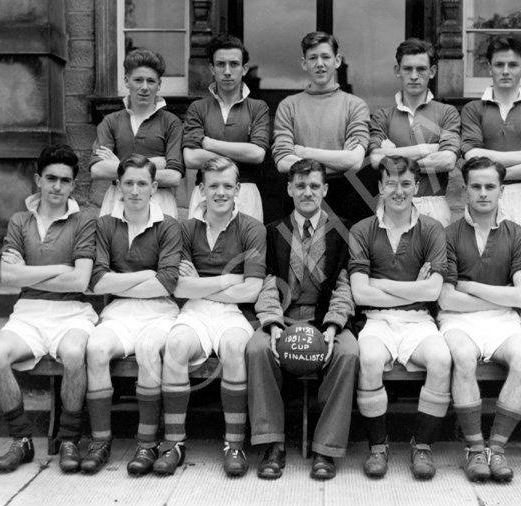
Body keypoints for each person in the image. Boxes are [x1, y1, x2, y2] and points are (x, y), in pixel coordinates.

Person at [0, 144, 97, 473]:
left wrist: (31, 273)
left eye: (65, 180)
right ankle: (22, 439)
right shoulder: (20, 221)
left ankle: (69, 440)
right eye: (51, 178)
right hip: (28, 314)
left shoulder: (84, 220)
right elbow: (7, 276)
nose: (57, 187)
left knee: (75, 354)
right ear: (38, 179)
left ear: (74, 184)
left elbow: (80, 282)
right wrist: (60, 269)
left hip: (73, 313)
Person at [246, 159, 359, 481]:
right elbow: (268, 281)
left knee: (348, 353)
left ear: (324, 189)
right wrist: (271, 322)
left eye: (314, 186)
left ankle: (326, 446)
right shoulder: (273, 232)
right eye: (300, 186)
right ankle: (272, 444)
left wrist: (335, 323)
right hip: (283, 317)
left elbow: (344, 283)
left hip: (326, 318)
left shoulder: (344, 230)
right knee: (257, 350)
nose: (307, 192)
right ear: (289, 189)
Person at [156, 156, 266, 477]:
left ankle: (234, 444)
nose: (220, 192)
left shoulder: (252, 228)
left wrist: (201, 284)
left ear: (238, 190)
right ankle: (174, 443)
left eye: (227, 186)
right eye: (213, 186)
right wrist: (231, 279)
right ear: (201, 190)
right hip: (195, 311)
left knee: (234, 348)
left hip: (235, 313)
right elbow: (179, 287)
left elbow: (252, 291)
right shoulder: (185, 229)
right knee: (175, 344)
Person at [348, 155, 451, 480]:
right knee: (369, 359)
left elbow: (433, 292)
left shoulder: (432, 228)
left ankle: (422, 446)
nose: (398, 190)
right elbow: (361, 294)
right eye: (390, 183)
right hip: (376, 320)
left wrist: (380, 282)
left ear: (416, 186)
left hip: (419, 319)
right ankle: (378, 447)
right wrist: (414, 286)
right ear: (380, 186)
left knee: (441, 359)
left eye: (405, 183)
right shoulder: (362, 229)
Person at [82, 154, 182, 475]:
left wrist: (124, 280)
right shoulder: (105, 225)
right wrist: (146, 276)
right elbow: (97, 280)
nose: (135, 191)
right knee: (95, 347)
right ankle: (101, 441)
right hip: (119, 312)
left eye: (142, 183)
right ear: (118, 185)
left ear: (154, 187)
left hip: (161, 312)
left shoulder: (169, 225)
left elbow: (167, 282)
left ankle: (146, 443)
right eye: (128, 183)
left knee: (150, 348)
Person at [438, 156, 521, 482]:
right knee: (462, 356)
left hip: (502, 320)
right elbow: (446, 298)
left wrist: (471, 286)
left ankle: (498, 448)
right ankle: (475, 448)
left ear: (501, 190)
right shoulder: (448, 234)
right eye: (476, 186)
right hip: (457, 320)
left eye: (490, 186)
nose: (483, 193)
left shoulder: (518, 234)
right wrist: (498, 291)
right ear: (464, 190)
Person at [272, 31, 370, 223]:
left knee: (341, 253)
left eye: (325, 57)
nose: (319, 63)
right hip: (300, 197)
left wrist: (302, 151)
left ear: (337, 60)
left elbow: (355, 161)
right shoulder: (288, 106)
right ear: (304, 63)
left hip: (343, 199)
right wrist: (338, 158)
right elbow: (283, 162)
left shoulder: (355, 105)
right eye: (313, 58)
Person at [460, 36, 521, 228]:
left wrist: (496, 174)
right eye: (499, 65)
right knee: (486, 251)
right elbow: (472, 156)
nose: (505, 71)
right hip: (487, 194)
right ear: (489, 67)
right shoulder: (474, 109)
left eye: (513, 65)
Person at [369, 38, 460, 227]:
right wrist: (429, 148)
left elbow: (448, 161)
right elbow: (376, 160)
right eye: (407, 68)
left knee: (433, 257)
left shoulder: (446, 112)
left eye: (421, 69)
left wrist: (394, 157)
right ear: (397, 71)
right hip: (391, 202)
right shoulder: (383, 117)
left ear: (432, 72)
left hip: (433, 204)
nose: (414, 75)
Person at [183, 34, 270, 222]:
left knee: (246, 251)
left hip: (245, 192)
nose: (228, 71)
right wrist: (241, 152)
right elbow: (191, 158)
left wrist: (207, 142)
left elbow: (257, 155)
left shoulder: (257, 108)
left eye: (234, 64)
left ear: (244, 69)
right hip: (206, 192)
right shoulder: (198, 108)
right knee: (202, 250)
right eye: (221, 64)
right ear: (212, 69)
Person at [89, 48, 184, 218]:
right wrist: (153, 163)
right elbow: (97, 170)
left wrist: (119, 165)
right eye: (138, 80)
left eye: (151, 81)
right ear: (127, 81)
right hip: (118, 201)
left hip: (159, 201)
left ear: (159, 84)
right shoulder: (111, 121)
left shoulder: (171, 122)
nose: (144, 87)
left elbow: (174, 177)